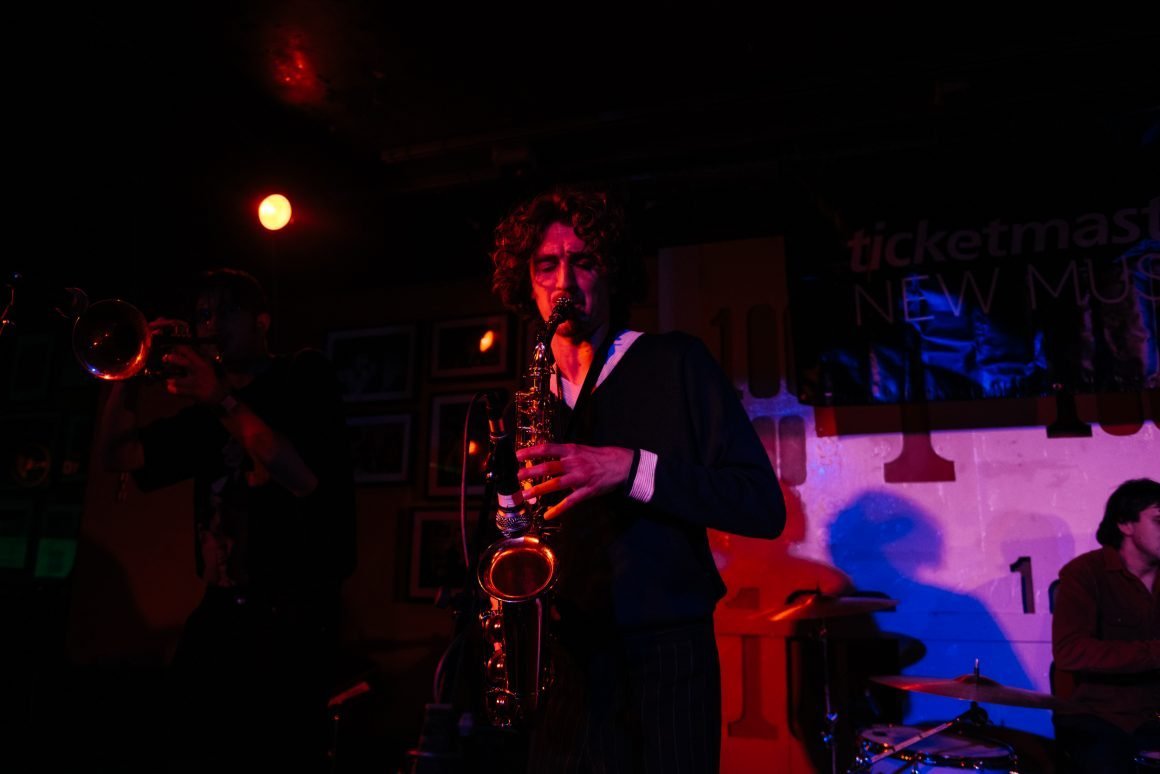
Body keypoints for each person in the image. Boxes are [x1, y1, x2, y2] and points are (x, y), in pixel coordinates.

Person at [489, 186, 786, 773]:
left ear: (612, 272)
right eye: (546, 265)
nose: (564, 283)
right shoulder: (525, 400)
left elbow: (760, 506)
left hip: (666, 657)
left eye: (584, 261)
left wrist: (630, 469)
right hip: (564, 660)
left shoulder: (677, 362)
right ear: (526, 282)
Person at [98, 268, 356, 772]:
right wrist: (128, 372)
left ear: (262, 321)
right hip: (220, 611)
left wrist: (221, 399)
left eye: (225, 311)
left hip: (293, 616)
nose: (210, 324)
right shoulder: (207, 411)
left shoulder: (301, 375)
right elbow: (118, 455)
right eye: (202, 315)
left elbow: (301, 478)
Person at [1052, 477, 1160, 773]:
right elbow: (1070, 651)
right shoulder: (1085, 573)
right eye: (1158, 520)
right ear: (1125, 524)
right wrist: (1154, 653)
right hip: (1101, 716)